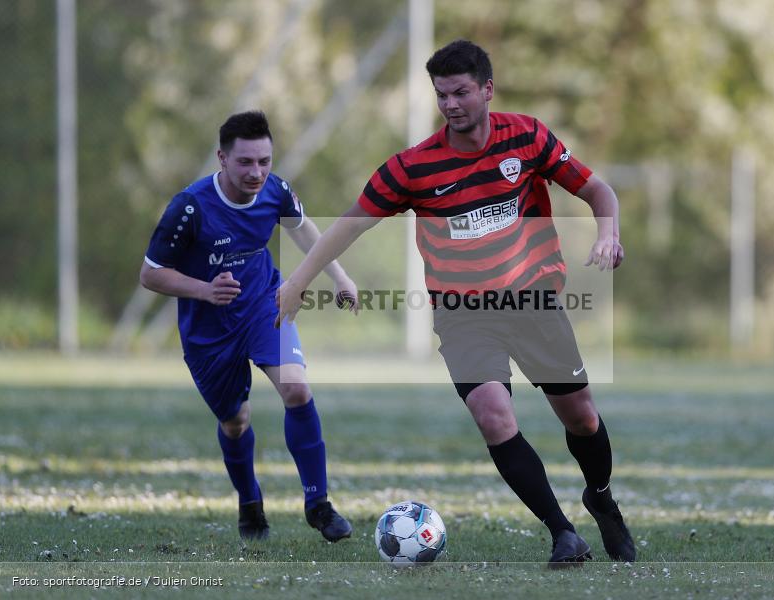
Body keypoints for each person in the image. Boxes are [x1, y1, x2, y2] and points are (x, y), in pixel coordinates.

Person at [276, 40, 635, 566]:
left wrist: (608, 234)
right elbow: (351, 223)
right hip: (464, 314)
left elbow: (599, 191)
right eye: (442, 95)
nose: (451, 104)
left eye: (461, 92)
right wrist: (299, 280)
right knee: (494, 415)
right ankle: (562, 533)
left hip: (533, 300)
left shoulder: (528, 136)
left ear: (487, 89)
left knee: (581, 418)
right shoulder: (413, 167)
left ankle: (600, 499)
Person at [140, 110, 354, 543]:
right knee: (236, 420)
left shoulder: (275, 192)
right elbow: (150, 273)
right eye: (245, 163)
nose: (256, 172)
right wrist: (204, 290)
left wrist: (340, 276)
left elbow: (305, 232)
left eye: (264, 161)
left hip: (262, 305)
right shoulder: (190, 207)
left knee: (296, 387)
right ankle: (249, 501)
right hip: (208, 330)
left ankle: (318, 504)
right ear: (222, 158)